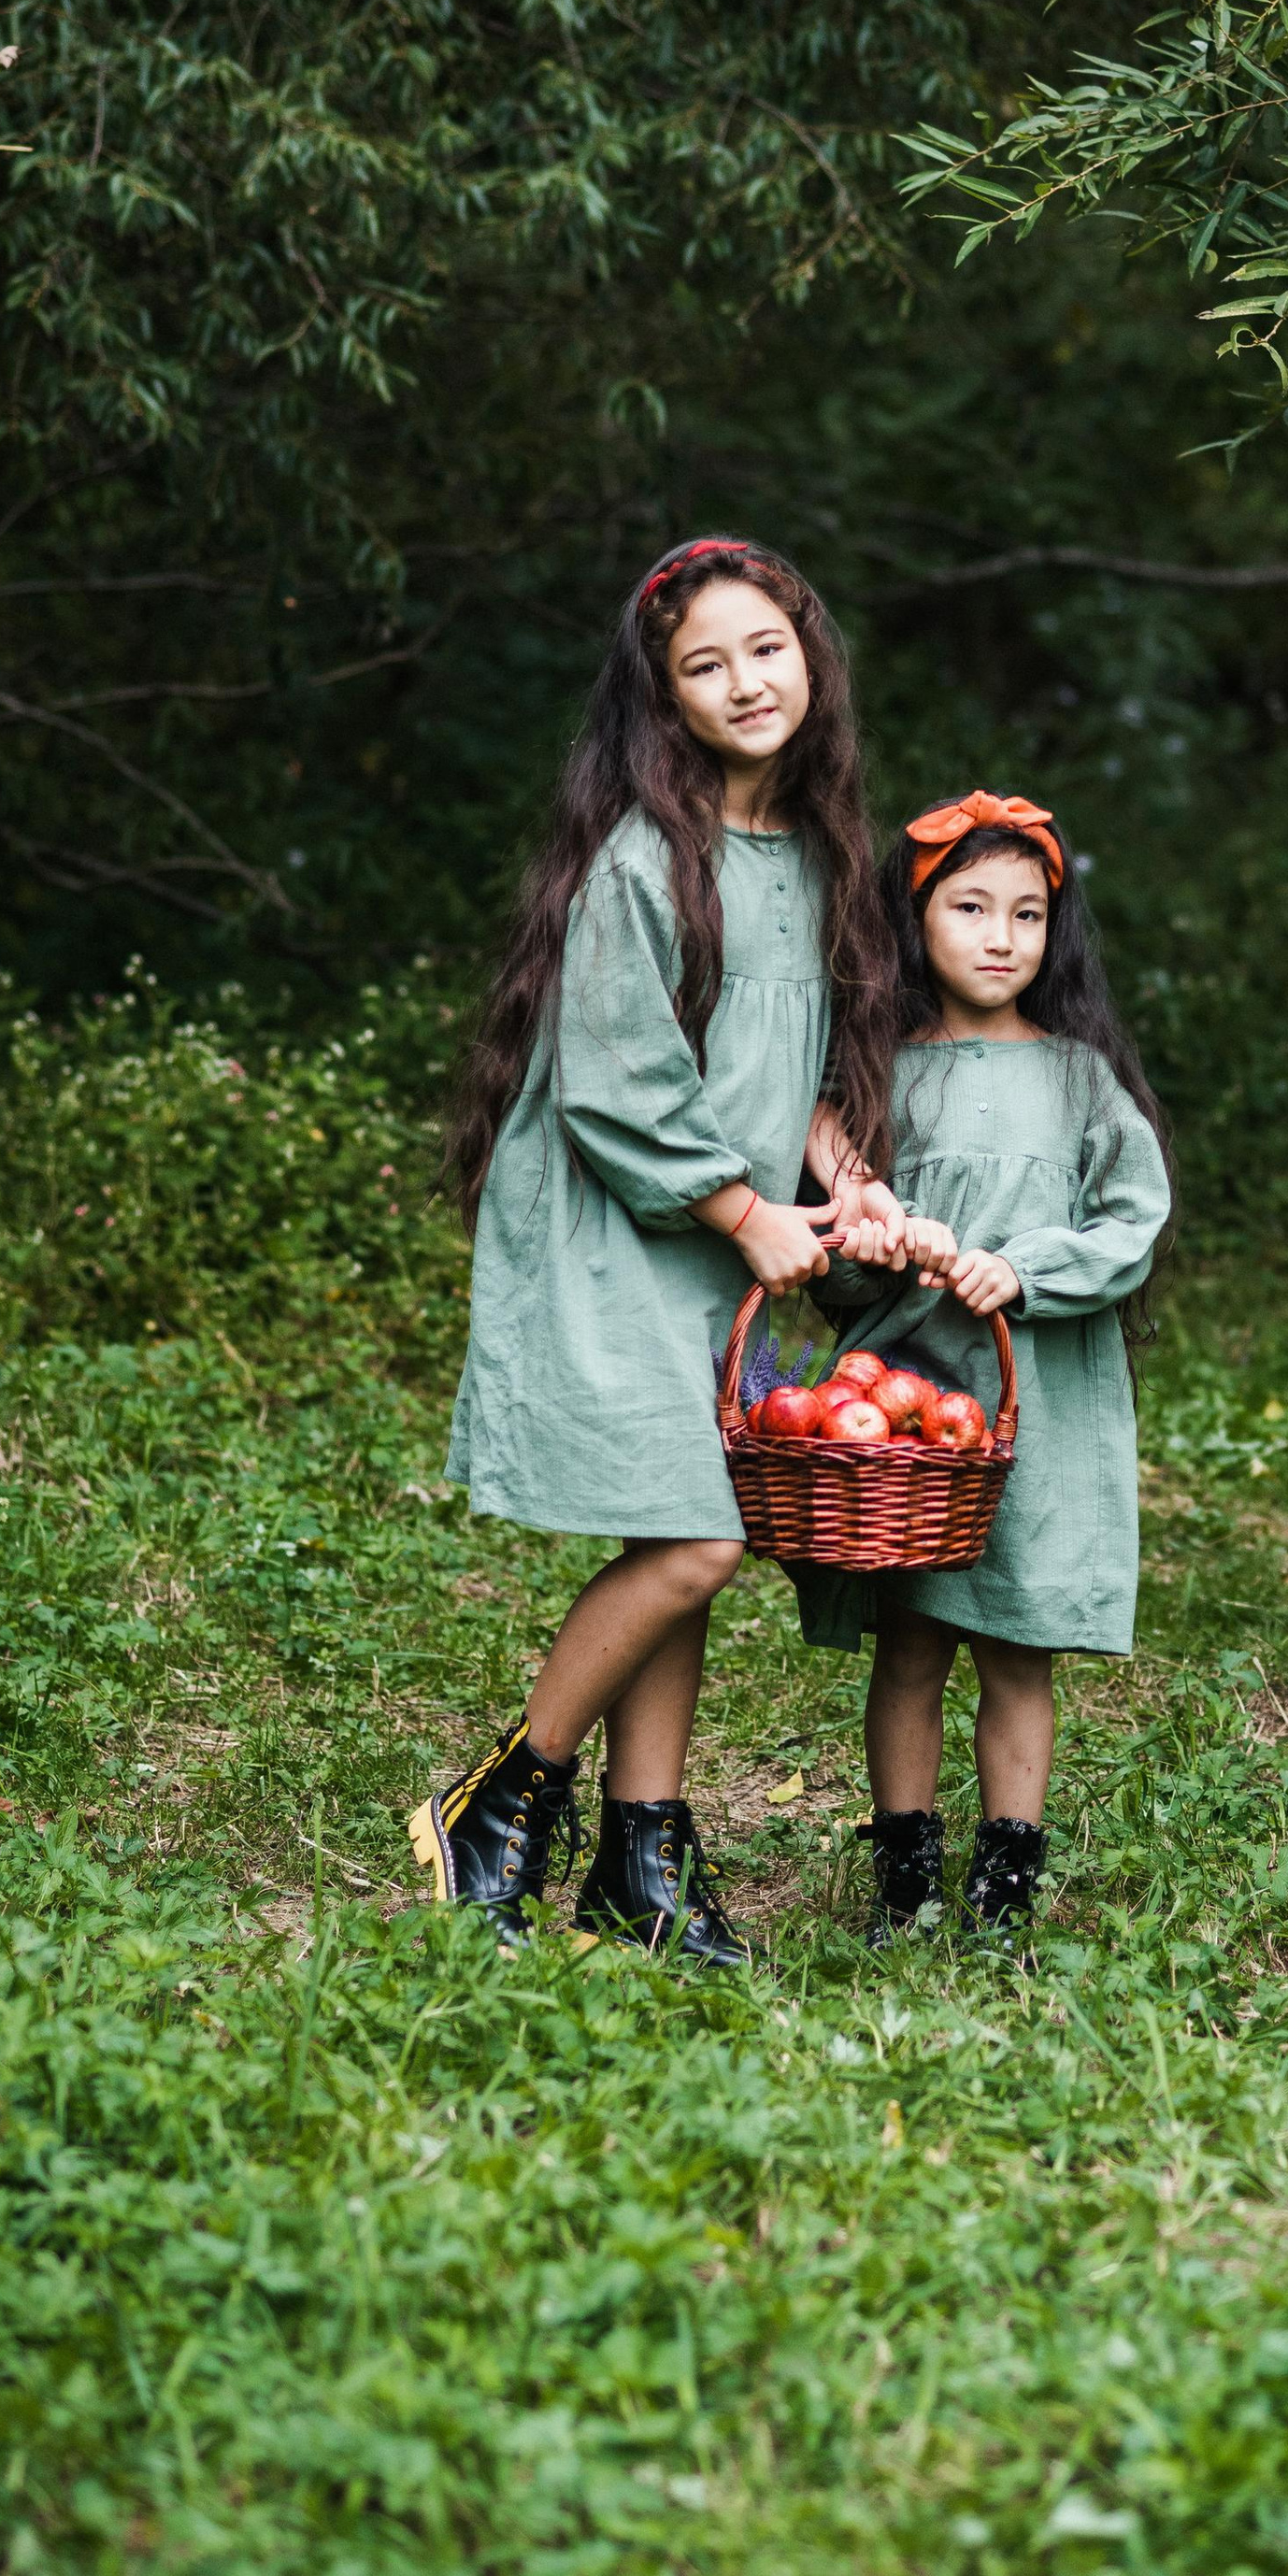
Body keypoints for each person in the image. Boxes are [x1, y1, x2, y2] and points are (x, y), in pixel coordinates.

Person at [419, 535, 917, 1957]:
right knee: (697, 1540)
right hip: (614, 1218)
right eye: (706, 665)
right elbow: (619, 1082)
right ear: (666, 699)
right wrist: (751, 1210)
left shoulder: (819, 852)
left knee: (674, 1519)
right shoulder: (651, 853)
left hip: (712, 1233)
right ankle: (507, 1797)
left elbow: (796, 1060)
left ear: (811, 650)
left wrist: (846, 1179)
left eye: (766, 646)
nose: (746, 680)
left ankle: (642, 1863)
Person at [800, 789, 1173, 1950]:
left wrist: (1024, 1268)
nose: (1002, 935)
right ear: (918, 923)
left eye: (1027, 911)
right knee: (912, 1648)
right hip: (911, 1409)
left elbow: (1133, 1217)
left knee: (1018, 1648)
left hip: (1041, 1407)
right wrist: (866, 1249)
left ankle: (1003, 1891)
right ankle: (903, 1878)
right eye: (969, 906)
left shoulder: (1079, 1079)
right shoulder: (879, 1082)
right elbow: (842, 1269)